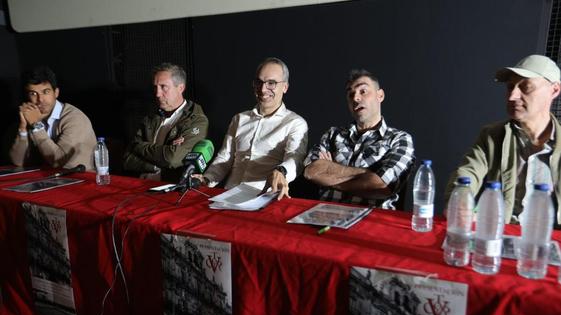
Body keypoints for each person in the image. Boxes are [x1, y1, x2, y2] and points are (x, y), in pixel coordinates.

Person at [445, 54, 561, 225]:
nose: (512, 96)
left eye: (526, 87)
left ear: (555, 90)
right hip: (501, 236)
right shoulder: (492, 135)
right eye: (510, 87)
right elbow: (466, 173)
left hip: (549, 242)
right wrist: (460, 201)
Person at [194, 57, 308, 200]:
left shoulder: (295, 123)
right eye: (259, 82)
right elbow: (224, 158)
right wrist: (206, 180)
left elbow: (295, 158)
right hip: (227, 196)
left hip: (263, 199)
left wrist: (282, 171)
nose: (263, 89)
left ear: (285, 87)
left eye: (271, 83)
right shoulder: (239, 119)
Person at [303, 69, 415, 209]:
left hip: (372, 222)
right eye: (351, 94)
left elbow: (382, 185)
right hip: (324, 214)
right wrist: (368, 175)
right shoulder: (333, 134)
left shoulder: (399, 139)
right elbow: (310, 172)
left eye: (363, 91)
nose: (355, 98)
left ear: (380, 95)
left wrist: (329, 172)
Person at [123, 63, 208, 182]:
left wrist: (139, 147)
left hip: (171, 189)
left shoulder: (196, 120)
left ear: (180, 88)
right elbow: (127, 159)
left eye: (164, 87)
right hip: (141, 185)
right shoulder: (151, 117)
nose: (157, 94)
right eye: (155, 87)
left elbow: (172, 159)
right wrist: (156, 164)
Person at [9, 66, 97, 170]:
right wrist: (23, 128)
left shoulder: (74, 118)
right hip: (50, 179)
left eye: (45, 92)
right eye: (33, 93)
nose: (40, 99)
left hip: (81, 180)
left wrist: (36, 126)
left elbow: (58, 162)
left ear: (56, 93)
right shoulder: (32, 116)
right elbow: (18, 162)